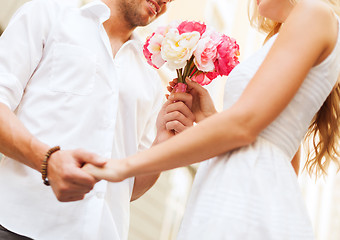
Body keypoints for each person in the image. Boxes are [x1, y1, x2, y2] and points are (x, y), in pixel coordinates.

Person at [85, 0, 340, 238]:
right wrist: (208, 118)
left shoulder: (313, 13)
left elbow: (244, 126)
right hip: (236, 186)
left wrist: (123, 166)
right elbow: (279, 155)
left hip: (242, 196)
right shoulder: (288, 31)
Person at [0, 0, 195, 239]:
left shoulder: (150, 78)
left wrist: (163, 142)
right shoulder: (47, 14)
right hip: (19, 227)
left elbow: (128, 189)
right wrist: (47, 161)